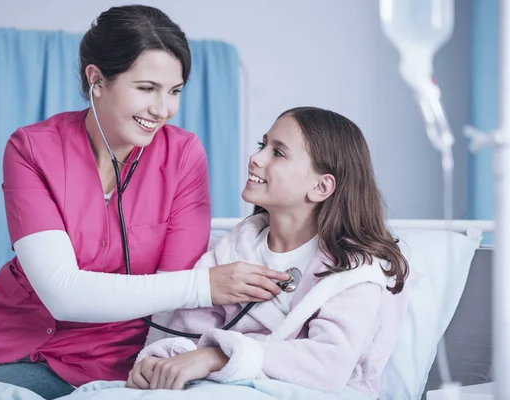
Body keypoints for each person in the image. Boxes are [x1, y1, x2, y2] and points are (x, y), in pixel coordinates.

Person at [0, 5, 290, 399]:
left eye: (174, 91)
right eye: (147, 88)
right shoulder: (32, 148)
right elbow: (62, 292)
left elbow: (174, 302)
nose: (163, 109)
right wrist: (205, 285)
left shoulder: (183, 156)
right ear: (97, 79)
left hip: (91, 362)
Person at [126, 107, 413, 399]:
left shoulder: (354, 271)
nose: (255, 158)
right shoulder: (230, 253)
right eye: (263, 146)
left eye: (278, 153)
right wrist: (162, 361)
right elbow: (185, 336)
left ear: (321, 186)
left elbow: (328, 365)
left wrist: (217, 357)